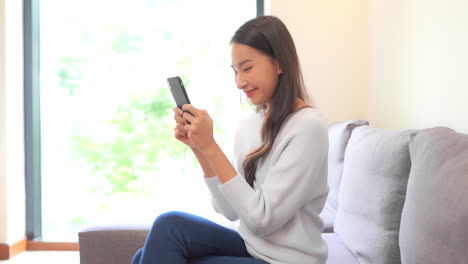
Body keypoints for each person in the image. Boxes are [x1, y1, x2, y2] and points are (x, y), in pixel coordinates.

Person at [132, 15, 329, 264]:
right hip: (251, 246)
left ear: (279, 64)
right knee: (167, 230)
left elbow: (262, 220)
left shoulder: (308, 127)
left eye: (247, 68)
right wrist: (199, 148)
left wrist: (211, 147)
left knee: (154, 253)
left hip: (286, 260)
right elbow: (231, 211)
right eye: (235, 71)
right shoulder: (250, 125)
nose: (239, 82)